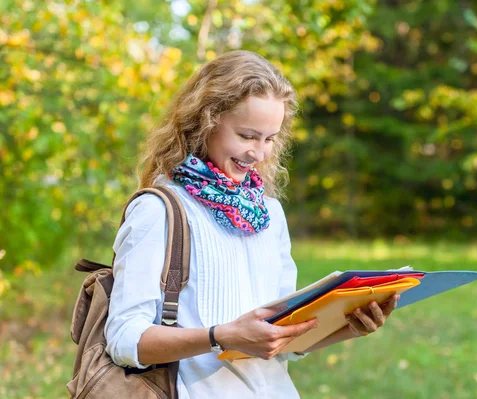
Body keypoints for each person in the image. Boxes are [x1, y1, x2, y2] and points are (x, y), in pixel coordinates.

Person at [105, 50, 400, 399]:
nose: (259, 153)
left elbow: (280, 339)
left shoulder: (270, 214)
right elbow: (124, 339)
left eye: (270, 138)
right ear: (205, 122)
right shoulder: (159, 210)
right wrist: (220, 336)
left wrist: (348, 326)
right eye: (247, 136)